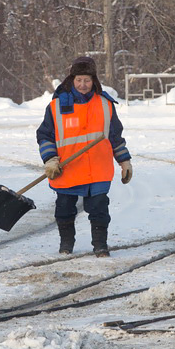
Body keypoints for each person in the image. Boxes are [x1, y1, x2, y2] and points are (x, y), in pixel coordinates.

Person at [36, 56, 133, 257]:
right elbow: (45, 135)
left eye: (87, 80)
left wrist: (124, 161)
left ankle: (100, 246)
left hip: (97, 169)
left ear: (94, 80)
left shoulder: (105, 104)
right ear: (72, 79)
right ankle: (66, 244)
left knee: (99, 209)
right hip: (67, 169)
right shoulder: (56, 106)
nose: (83, 84)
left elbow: (115, 135)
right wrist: (50, 159)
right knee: (64, 210)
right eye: (79, 80)